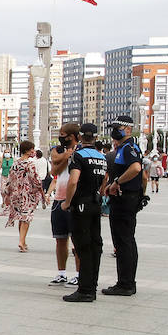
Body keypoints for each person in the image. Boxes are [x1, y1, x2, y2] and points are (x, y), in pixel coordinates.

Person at [62, 122, 107, 302]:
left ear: (80, 136)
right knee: (96, 246)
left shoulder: (78, 156)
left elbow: (73, 181)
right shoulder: (101, 156)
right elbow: (105, 178)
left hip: (81, 204)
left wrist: (67, 202)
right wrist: (100, 192)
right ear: (96, 137)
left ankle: (85, 290)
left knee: (83, 246)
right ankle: (92, 286)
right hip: (95, 204)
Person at [101, 114, 144, 297]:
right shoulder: (127, 148)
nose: (114, 131)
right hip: (128, 198)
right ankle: (127, 281)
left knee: (123, 241)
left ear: (128, 129)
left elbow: (136, 169)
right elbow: (143, 177)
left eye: (117, 127)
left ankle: (125, 284)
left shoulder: (128, 148)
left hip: (124, 199)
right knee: (127, 240)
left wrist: (116, 182)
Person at [47, 123, 79, 286]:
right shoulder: (58, 149)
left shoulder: (81, 151)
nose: (60, 136)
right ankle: (61, 273)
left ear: (72, 136)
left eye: (63, 134)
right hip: (58, 199)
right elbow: (54, 169)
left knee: (77, 239)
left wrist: (68, 156)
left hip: (74, 200)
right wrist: (66, 157)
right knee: (60, 239)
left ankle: (79, 274)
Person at [0, 140, 45, 252]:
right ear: (27, 151)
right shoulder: (30, 164)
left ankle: (23, 241)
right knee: (26, 217)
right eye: (32, 149)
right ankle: (21, 241)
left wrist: (7, 195)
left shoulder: (15, 163)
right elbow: (36, 180)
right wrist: (42, 194)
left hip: (16, 194)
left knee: (21, 217)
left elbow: (10, 180)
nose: (33, 151)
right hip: (27, 194)